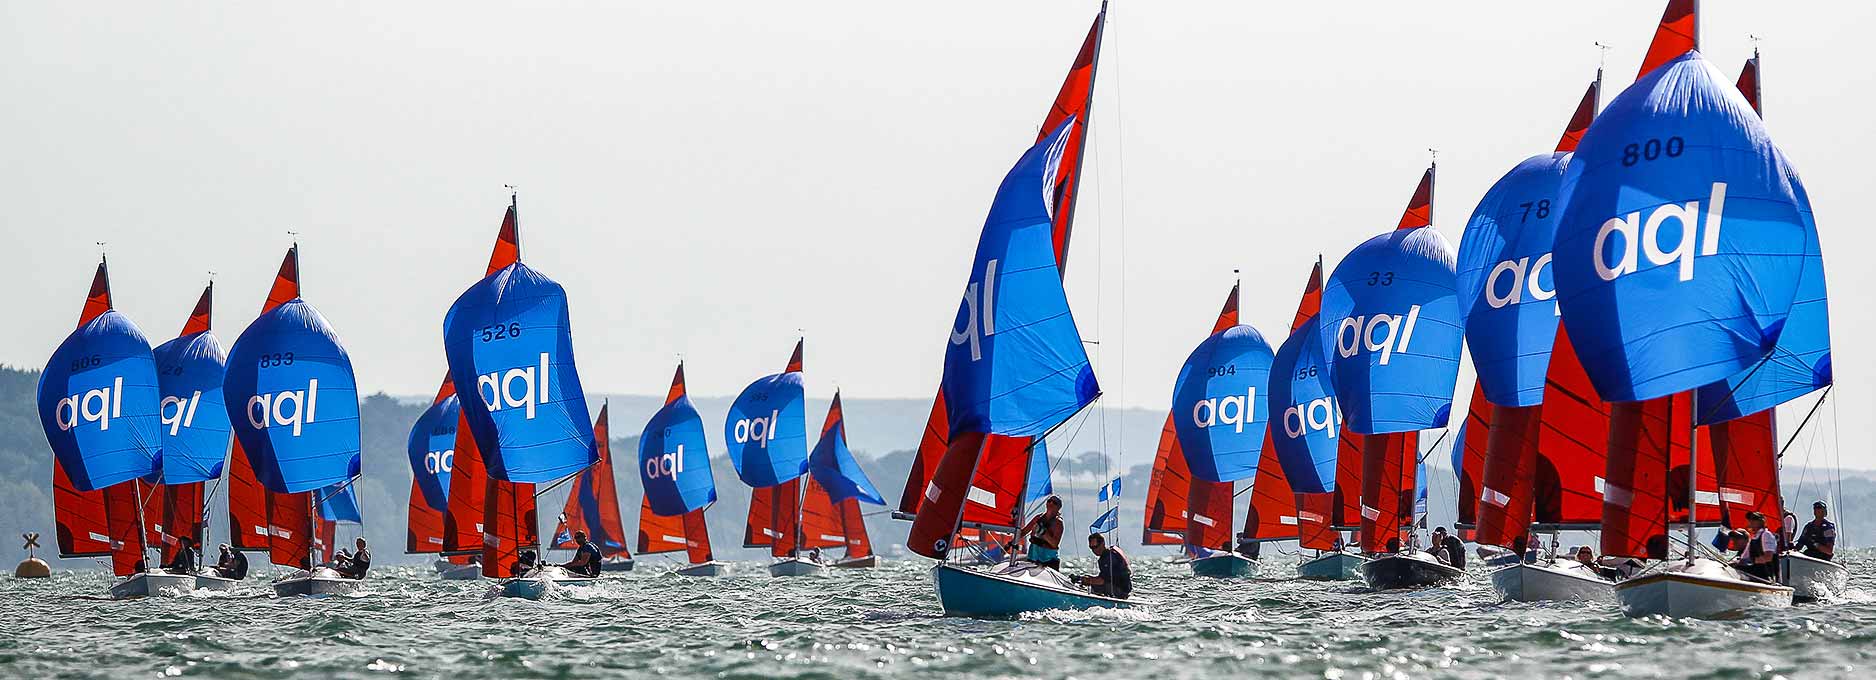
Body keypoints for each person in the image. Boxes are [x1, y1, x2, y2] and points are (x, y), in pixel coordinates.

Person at [1072, 533, 1132, 599]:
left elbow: (1101, 581)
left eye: (1095, 547)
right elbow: (1103, 577)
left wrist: (1088, 580)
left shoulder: (1109, 557)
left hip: (1121, 591)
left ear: (1102, 544)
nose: (1094, 550)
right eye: (1091, 548)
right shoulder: (1104, 557)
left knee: (1093, 586)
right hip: (1117, 587)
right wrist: (1082, 578)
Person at [1015, 496, 1065, 570]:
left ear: (1059, 507)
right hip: (1033, 557)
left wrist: (1042, 532)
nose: (1051, 503)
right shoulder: (1038, 518)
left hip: (1048, 560)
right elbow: (1024, 532)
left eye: (1054, 503)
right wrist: (1012, 537)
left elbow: (1054, 544)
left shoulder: (1058, 523)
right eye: (1049, 501)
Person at [1731, 512, 1778, 581]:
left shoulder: (1766, 535)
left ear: (1761, 521)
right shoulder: (1754, 538)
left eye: (1754, 519)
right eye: (1750, 519)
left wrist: (1751, 560)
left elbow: (1768, 557)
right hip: (1754, 575)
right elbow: (1744, 558)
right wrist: (1734, 563)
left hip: (1766, 577)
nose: (1751, 521)